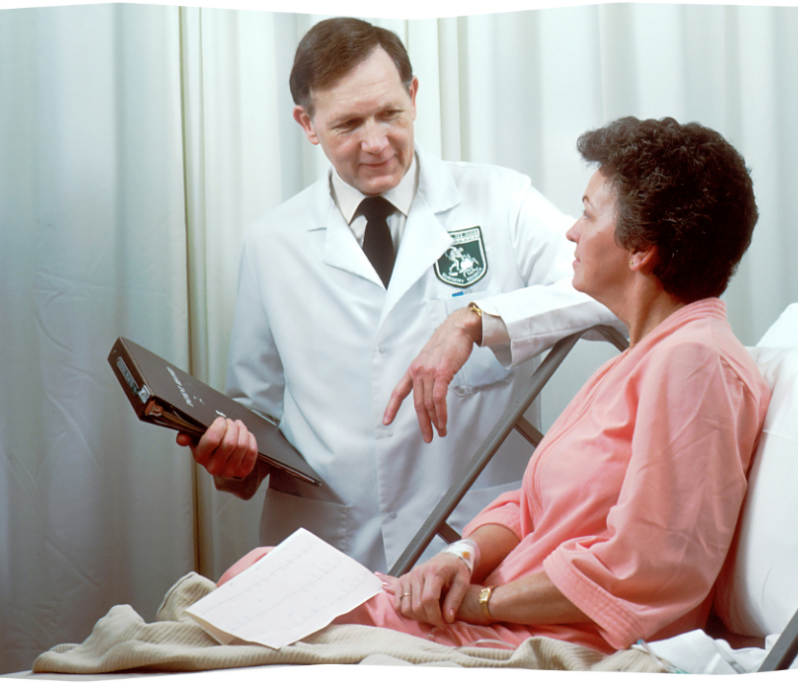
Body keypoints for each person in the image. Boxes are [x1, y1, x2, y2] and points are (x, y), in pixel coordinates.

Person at [216, 116, 772, 654]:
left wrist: (482, 603)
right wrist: (459, 557)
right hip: (493, 609)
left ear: (641, 250)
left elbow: (647, 568)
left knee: (257, 592)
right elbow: (530, 506)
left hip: (540, 634)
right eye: (347, 123)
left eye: (587, 214)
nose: (571, 231)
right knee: (264, 575)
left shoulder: (694, 363)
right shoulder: (641, 359)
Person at [178, 17, 619, 572]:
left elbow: (610, 286)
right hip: (330, 550)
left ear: (413, 95)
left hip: (474, 543)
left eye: (390, 114)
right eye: (347, 124)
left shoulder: (500, 199)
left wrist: (474, 319)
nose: (375, 143)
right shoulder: (272, 243)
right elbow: (255, 413)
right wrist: (232, 462)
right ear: (307, 124)